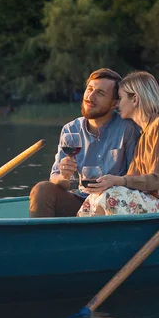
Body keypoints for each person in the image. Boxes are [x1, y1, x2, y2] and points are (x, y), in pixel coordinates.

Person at [77, 71, 159, 216]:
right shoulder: (142, 132)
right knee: (97, 195)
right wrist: (108, 183)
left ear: (135, 99)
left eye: (120, 98)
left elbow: (156, 179)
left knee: (111, 196)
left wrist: (117, 180)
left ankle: (99, 236)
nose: (117, 104)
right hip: (157, 197)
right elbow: (132, 177)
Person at [29, 68, 141, 217]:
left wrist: (114, 183)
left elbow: (137, 175)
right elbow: (57, 179)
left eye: (100, 93)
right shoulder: (71, 129)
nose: (90, 97)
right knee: (43, 189)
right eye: (89, 89)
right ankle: (43, 239)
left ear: (114, 103)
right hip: (82, 199)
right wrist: (64, 175)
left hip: (115, 204)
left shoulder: (128, 128)